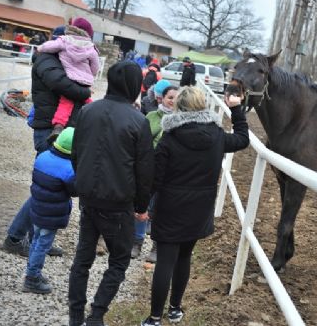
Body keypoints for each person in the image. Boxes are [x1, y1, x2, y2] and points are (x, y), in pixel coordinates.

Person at [141, 87, 249, 326]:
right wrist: (236, 109)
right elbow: (242, 139)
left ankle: (155, 318)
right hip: (200, 208)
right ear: (203, 106)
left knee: (165, 261)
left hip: (170, 207)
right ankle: (175, 310)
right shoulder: (217, 135)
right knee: (184, 257)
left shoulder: (170, 137)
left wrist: (141, 205)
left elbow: (154, 178)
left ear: (178, 107)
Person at [68, 60, 155, 326]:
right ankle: (95, 316)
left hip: (89, 198)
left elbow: (76, 153)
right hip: (118, 203)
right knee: (118, 261)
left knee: (82, 259)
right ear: (133, 86)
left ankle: (75, 316)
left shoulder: (87, 112)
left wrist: (83, 183)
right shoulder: (139, 121)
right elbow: (144, 170)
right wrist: (142, 206)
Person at [1, 25, 91, 258]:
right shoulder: (45, 59)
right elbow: (64, 86)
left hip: (59, 129)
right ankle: (15, 237)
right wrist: (84, 92)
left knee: (51, 189)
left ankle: (37, 239)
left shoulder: (59, 59)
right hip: (49, 130)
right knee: (48, 188)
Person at [23, 128, 76, 294]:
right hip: (51, 215)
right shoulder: (69, 169)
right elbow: (74, 191)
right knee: (42, 246)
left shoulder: (43, 156)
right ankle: (32, 278)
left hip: (37, 208)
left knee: (35, 241)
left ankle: (32, 271)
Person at [131, 85, 179, 261]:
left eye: (176, 98)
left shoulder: (182, 120)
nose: (173, 101)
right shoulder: (151, 117)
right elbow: (141, 142)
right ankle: (136, 242)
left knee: (161, 210)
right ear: (162, 98)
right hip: (148, 171)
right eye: (170, 97)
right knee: (142, 206)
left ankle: (156, 247)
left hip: (170, 174)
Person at [37, 17, 99, 144]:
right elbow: (95, 66)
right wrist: (89, 76)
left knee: (66, 103)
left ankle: (58, 126)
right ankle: (97, 118)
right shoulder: (90, 47)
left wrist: (40, 48)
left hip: (71, 77)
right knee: (86, 101)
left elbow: (50, 46)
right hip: (85, 80)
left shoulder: (64, 41)